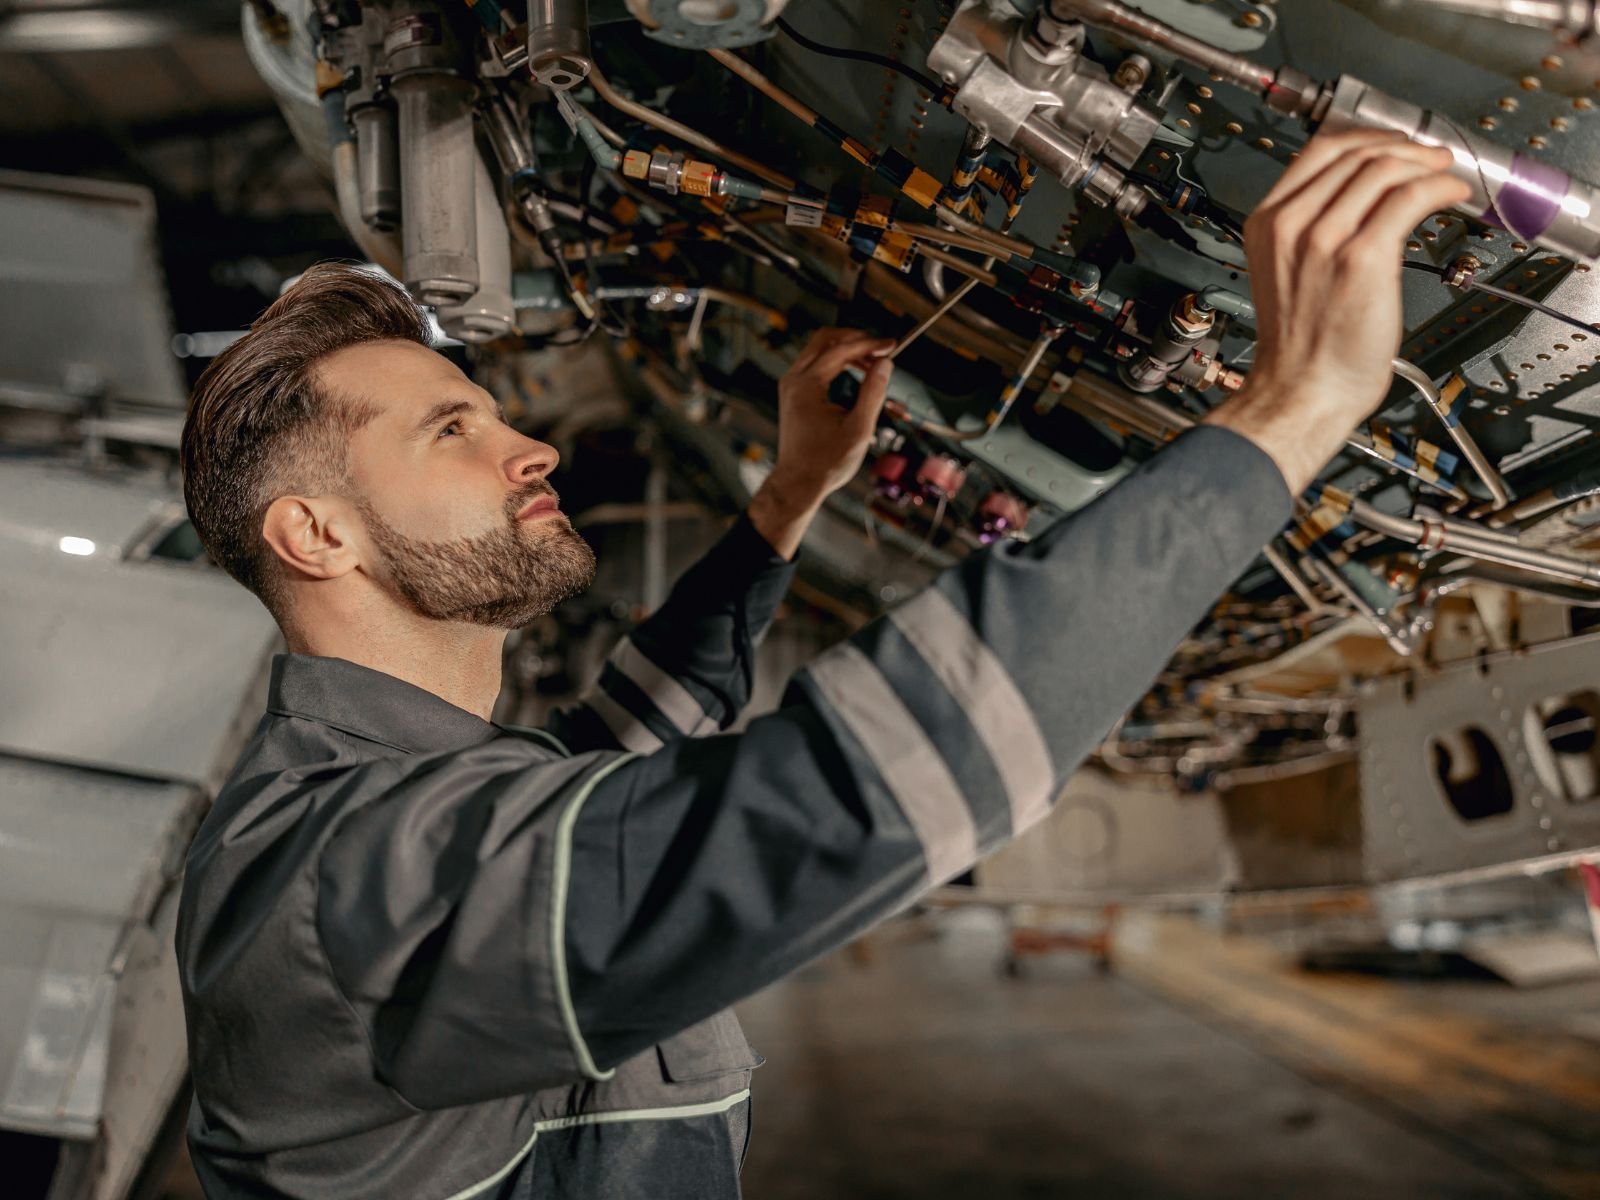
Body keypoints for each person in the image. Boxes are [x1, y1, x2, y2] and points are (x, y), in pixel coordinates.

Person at [174, 131, 1470, 1199]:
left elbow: (631, 735)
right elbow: (844, 799)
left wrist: (789, 500)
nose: (534, 449)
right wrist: (1289, 410)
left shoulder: (410, 803)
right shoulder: (336, 874)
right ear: (316, 533)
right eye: (456, 427)